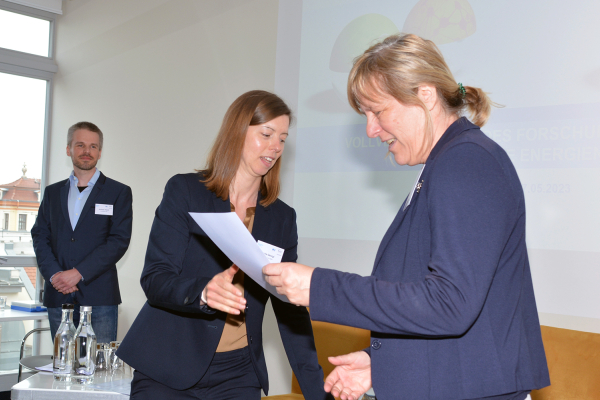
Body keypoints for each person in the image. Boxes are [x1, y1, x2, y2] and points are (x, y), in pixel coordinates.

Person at [263, 34, 550, 400]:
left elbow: (451, 304)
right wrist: (381, 362)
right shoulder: (447, 162)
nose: (370, 129)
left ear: (425, 95)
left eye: (378, 111)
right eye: (365, 115)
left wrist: (318, 287)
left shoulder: (466, 162)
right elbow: (453, 316)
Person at [117, 90, 332, 400]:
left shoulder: (282, 218)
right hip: (169, 366)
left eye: (282, 139)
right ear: (237, 131)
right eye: (266, 134)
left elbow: (290, 311)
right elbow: (156, 278)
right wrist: (204, 291)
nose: (275, 147)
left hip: (239, 373)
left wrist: (319, 392)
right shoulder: (186, 192)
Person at [32, 121, 133, 343]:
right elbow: (40, 236)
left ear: (99, 152)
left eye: (93, 146)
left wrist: (78, 273)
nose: (87, 151)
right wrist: (55, 276)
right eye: (80, 145)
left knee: (99, 371)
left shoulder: (119, 192)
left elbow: (118, 241)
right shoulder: (51, 193)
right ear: (68, 149)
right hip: (58, 295)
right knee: (63, 366)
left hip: (100, 298)